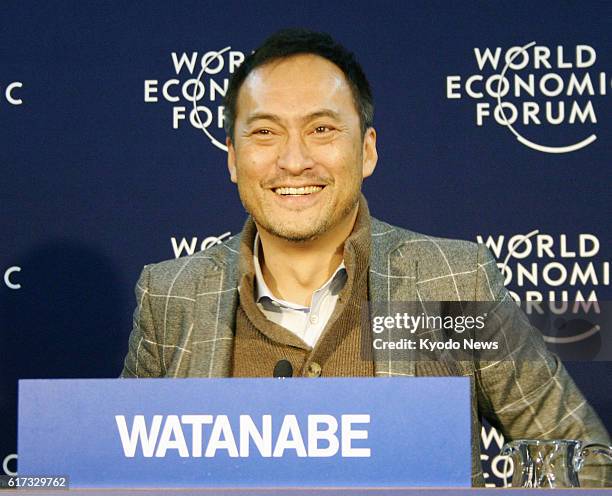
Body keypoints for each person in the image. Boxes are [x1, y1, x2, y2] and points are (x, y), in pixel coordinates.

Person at [121, 29, 610, 486]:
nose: (293, 160)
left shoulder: (455, 282)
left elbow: (587, 457)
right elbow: (114, 471)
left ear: (367, 151)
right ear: (232, 156)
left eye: (322, 130)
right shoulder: (171, 296)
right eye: (265, 133)